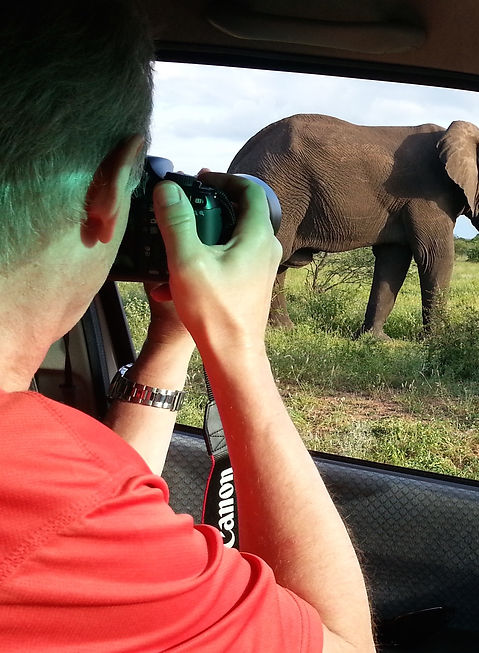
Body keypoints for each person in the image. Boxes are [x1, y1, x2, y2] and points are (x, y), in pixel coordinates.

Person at [0, 3, 374, 651]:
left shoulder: (51, 493)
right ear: (112, 191)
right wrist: (236, 348)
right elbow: (344, 642)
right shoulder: (50, 506)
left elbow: (97, 526)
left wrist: (171, 339)